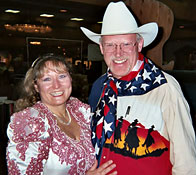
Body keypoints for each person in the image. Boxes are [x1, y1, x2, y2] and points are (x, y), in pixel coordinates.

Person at [80, 1, 196, 174]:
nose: (118, 53)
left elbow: (186, 162)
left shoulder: (164, 87)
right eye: (110, 45)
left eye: (126, 44)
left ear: (139, 45)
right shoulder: (100, 86)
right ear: (101, 48)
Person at [6, 53, 117, 175]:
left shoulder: (80, 112)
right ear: (36, 86)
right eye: (47, 79)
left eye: (62, 76)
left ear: (71, 79)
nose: (56, 85)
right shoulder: (30, 123)